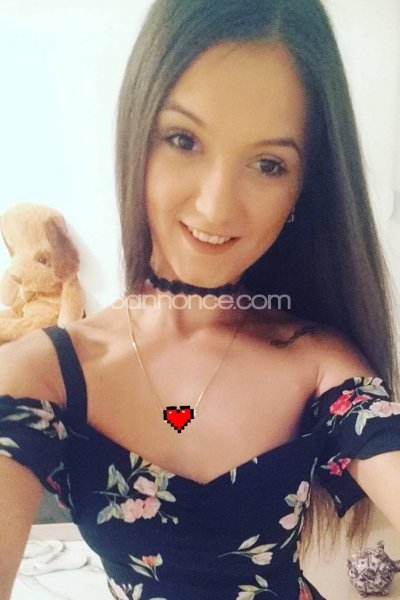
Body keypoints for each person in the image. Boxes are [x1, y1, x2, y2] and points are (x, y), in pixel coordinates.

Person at [1, 1, 400, 599]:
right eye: (183, 139)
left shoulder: (317, 362)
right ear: (138, 137)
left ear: (303, 187)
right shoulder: (43, 376)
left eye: (268, 164)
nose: (216, 207)